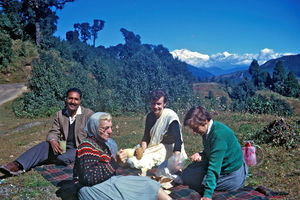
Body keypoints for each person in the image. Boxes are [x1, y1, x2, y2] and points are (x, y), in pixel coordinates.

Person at [74, 112, 171, 200]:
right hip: (92, 188)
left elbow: (108, 168)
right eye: (105, 128)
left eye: (110, 127)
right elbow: (88, 178)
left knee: (149, 183)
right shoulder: (86, 147)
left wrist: (120, 162)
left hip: (109, 181)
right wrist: (115, 162)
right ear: (94, 128)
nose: (110, 131)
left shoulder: (102, 144)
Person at [0, 88, 94, 176]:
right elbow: (54, 131)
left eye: (76, 99)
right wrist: (53, 140)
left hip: (80, 148)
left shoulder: (88, 115)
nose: (73, 102)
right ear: (66, 99)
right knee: (44, 145)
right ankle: (17, 165)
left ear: (80, 101)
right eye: (70, 98)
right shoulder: (60, 114)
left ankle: (68, 160)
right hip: (64, 146)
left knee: (62, 158)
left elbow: (95, 135)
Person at [181, 106, 248, 200]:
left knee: (198, 182)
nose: (194, 132)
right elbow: (211, 151)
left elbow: (214, 169)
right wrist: (202, 155)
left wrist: (207, 195)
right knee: (188, 174)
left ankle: (219, 186)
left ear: (204, 122)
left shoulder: (219, 136)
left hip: (231, 174)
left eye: (195, 128)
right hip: (223, 166)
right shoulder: (208, 131)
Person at [127, 89, 187, 171]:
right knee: (132, 157)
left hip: (170, 149)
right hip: (155, 146)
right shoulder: (150, 117)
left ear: (164, 104)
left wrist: (176, 160)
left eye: (159, 104)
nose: (155, 107)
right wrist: (143, 149)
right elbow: (146, 137)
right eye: (153, 103)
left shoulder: (170, 117)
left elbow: (178, 141)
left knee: (136, 162)